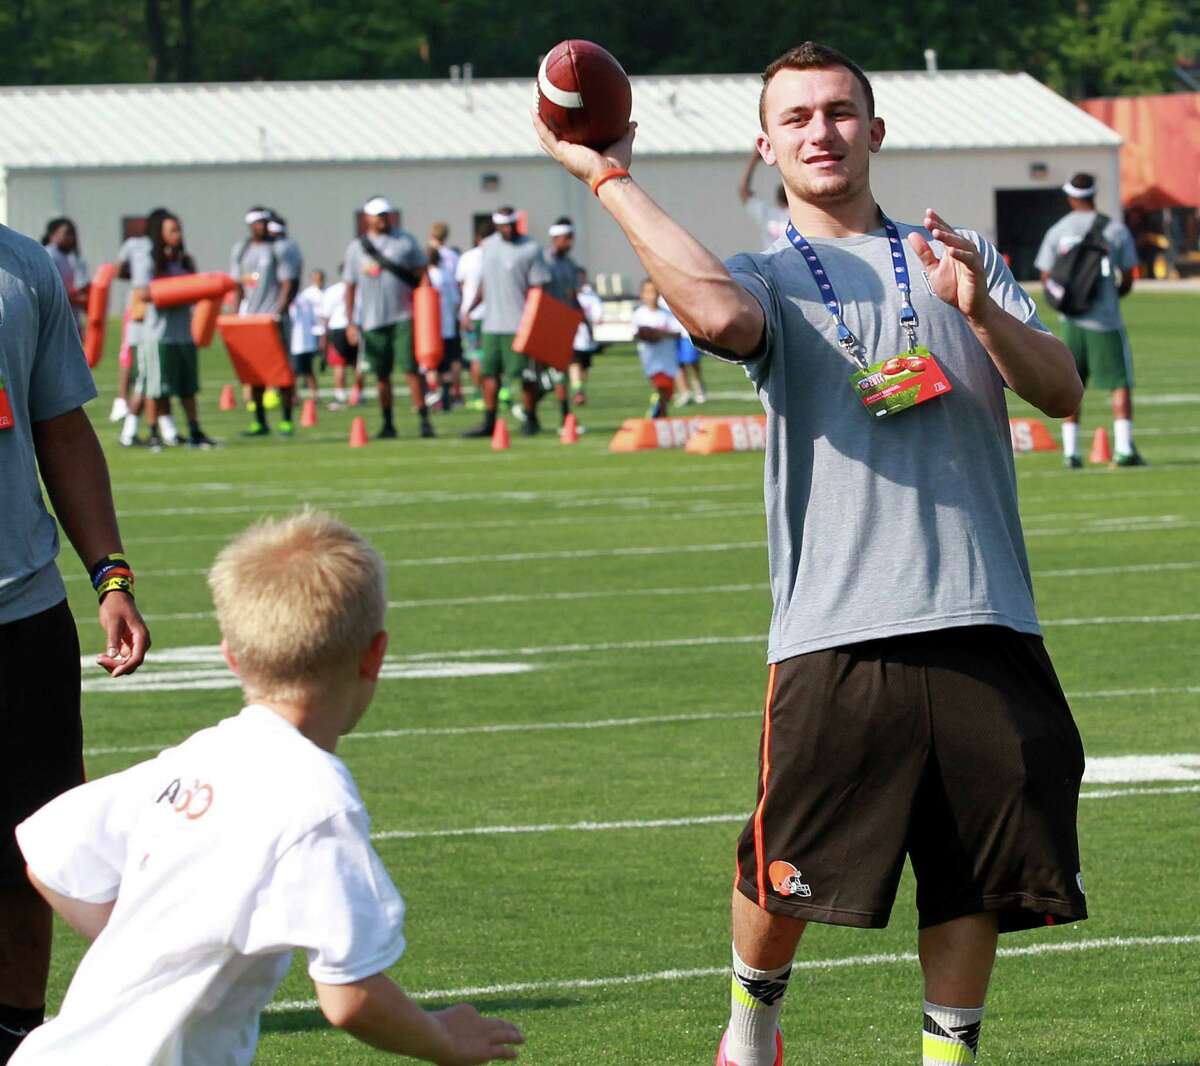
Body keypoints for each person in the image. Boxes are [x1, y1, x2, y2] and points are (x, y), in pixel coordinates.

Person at [535, 39, 1087, 1066]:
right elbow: (714, 313)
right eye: (797, 119)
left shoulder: (956, 250)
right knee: (783, 865)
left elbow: (1061, 390)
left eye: (838, 112)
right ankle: (751, 1032)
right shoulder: (767, 273)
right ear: (767, 147)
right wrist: (607, 176)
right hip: (839, 623)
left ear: (875, 131)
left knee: (972, 864)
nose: (821, 132)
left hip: (986, 610)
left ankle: (948, 1054)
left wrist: (977, 309)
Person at [10, 512, 521, 1066]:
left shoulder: (202, 754)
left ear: (231, 656)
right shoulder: (319, 801)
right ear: (374, 656)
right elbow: (350, 997)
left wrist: (147, 950)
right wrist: (443, 1039)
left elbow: (47, 848)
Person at [0, 220, 150, 1065]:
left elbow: (62, 429)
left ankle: (16, 1027)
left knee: (30, 844)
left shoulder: (24, 268)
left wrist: (111, 577)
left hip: (22, 611)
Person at [1035, 172, 1144, 467]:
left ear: (1070, 197)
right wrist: (1113, 294)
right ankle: (1124, 449)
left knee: (1071, 384)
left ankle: (1071, 452)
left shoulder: (1059, 229)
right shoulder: (1115, 230)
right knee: (1119, 383)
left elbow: (1046, 275)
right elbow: (1130, 274)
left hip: (1070, 321)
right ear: (1095, 194)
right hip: (1105, 321)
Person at [120, 211, 216, 450]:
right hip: (157, 333)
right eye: (172, 230)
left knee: (187, 387)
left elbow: (198, 289)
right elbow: (141, 292)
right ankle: (153, 432)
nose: (178, 235)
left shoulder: (185, 261)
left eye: (179, 229)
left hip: (183, 332)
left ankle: (195, 430)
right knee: (156, 387)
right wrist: (174, 292)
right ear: (160, 234)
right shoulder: (149, 259)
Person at [342, 196, 432, 439]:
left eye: (385, 215)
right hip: (372, 319)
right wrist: (350, 321)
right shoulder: (357, 248)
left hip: (403, 315)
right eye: (377, 215)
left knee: (411, 370)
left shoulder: (404, 241)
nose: (382, 220)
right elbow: (349, 286)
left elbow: (422, 273)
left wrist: (427, 309)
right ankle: (388, 422)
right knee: (381, 375)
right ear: (368, 218)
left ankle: (424, 419)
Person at [462, 207, 550, 437]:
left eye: (511, 224)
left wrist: (536, 323)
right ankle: (489, 422)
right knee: (489, 374)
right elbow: (485, 283)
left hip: (519, 324)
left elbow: (538, 288)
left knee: (525, 376)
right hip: (492, 324)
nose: (508, 229)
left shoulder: (530, 248)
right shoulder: (489, 247)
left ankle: (531, 419)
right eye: (503, 225)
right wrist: (469, 310)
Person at [230, 206, 298, 436]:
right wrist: (235, 314)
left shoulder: (278, 248)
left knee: (282, 371)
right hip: (250, 318)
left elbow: (288, 282)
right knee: (254, 373)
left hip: (272, 317)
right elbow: (238, 284)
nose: (262, 226)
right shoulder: (242, 250)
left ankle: (287, 419)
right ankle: (260, 421)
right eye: (258, 222)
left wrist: (279, 311)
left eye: (265, 221)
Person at [110, 209, 168, 424]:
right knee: (130, 354)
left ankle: (158, 420)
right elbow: (118, 270)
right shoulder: (136, 245)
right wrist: (135, 278)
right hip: (139, 305)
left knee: (150, 359)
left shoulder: (167, 249)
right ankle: (122, 400)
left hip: (159, 308)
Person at [540, 217, 584, 429]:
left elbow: (572, 294)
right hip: (545, 322)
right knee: (543, 374)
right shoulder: (543, 261)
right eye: (566, 238)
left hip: (562, 323)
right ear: (555, 238)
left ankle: (565, 416)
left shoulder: (569, 265)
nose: (569, 243)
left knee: (560, 372)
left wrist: (579, 315)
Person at [455, 220, 492, 409]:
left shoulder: (467, 258)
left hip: (472, 315)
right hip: (495, 315)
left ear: (477, 237)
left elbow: (461, 285)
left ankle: (478, 395)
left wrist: (465, 311)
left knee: (476, 356)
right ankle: (501, 392)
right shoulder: (497, 254)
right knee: (493, 357)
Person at [632, 278, 680, 418]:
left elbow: (677, 333)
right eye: (647, 292)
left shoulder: (666, 314)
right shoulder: (639, 314)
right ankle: (656, 409)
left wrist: (660, 334)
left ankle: (660, 415)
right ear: (642, 295)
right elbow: (636, 334)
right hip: (651, 358)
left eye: (654, 291)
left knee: (668, 393)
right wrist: (646, 334)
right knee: (660, 385)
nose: (651, 295)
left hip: (668, 358)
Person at [425, 237, 463, 412]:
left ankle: (435, 398)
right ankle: (449, 396)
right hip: (448, 325)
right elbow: (456, 300)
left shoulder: (428, 277)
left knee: (432, 364)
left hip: (431, 327)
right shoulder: (447, 275)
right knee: (448, 363)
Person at [40, 218, 90, 333]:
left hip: (70, 316)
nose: (71, 238)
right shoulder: (48, 254)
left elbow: (80, 285)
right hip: (53, 319)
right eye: (67, 233)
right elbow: (50, 291)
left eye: (72, 234)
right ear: (52, 235)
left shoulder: (71, 257)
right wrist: (79, 300)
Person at [320, 265, 359, 409]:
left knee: (339, 364)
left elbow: (325, 315)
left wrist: (324, 335)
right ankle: (357, 394)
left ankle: (341, 395)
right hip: (355, 326)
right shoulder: (360, 288)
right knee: (357, 363)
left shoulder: (333, 290)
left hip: (338, 328)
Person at [738, 149, 790, 252]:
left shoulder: (768, 214)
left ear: (778, 200)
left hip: (771, 264)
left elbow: (743, 191)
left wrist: (753, 160)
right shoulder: (804, 215)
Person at [290, 267, 326, 406]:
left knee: (306, 371)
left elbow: (313, 319)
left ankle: (312, 396)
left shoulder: (304, 300)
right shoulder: (304, 297)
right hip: (297, 342)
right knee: (298, 372)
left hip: (303, 342)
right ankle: (295, 396)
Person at [571, 267, 603, 405]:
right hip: (572, 337)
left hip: (587, 338)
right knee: (574, 363)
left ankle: (580, 390)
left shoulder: (591, 296)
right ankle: (578, 392)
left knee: (584, 367)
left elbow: (598, 315)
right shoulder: (568, 294)